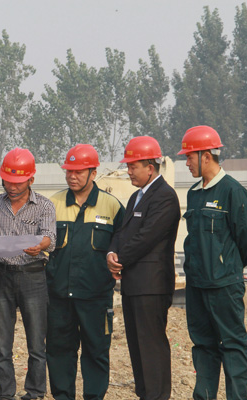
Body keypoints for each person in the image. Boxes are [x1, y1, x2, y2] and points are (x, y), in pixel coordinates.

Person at [178, 125, 247, 400]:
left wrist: (226, 267)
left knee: (233, 346)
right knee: (203, 346)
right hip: (196, 286)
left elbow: (245, 240)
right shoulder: (194, 193)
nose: (186, 163)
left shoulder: (233, 191)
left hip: (224, 286)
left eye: (189, 157)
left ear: (206, 156)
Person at [0, 147, 56, 400]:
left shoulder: (44, 205)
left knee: (36, 343)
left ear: (31, 179)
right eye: (8, 181)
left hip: (32, 275)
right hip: (1, 275)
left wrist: (40, 245)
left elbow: (50, 238)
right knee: (1, 344)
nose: (12, 187)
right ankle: (5, 393)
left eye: (18, 183)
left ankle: (35, 391)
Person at [46, 144, 125, 400]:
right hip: (59, 298)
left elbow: (123, 245)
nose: (72, 176)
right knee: (59, 353)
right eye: (69, 171)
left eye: (78, 172)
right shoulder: (53, 204)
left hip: (96, 298)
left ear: (93, 173)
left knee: (96, 352)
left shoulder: (112, 206)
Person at [107, 136, 180, 400]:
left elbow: (146, 237)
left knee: (151, 346)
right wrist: (112, 253)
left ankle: (157, 395)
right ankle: (145, 394)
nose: (128, 172)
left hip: (152, 285)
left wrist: (120, 259)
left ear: (150, 167)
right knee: (137, 347)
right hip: (133, 285)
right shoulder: (136, 197)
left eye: (132, 166)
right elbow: (122, 232)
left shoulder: (165, 197)